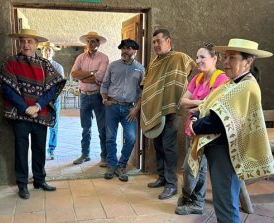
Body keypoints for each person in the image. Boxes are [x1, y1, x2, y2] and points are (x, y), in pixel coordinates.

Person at [188, 38, 274, 222]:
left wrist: (195, 124)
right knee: (223, 201)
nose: (226, 63)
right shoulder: (232, 83)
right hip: (219, 151)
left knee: (226, 204)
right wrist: (198, 117)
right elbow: (206, 106)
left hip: (226, 153)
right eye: (226, 57)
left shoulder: (246, 86)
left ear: (248, 61)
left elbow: (217, 121)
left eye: (232, 58)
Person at [0, 29, 66, 200]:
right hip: (20, 116)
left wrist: (38, 105)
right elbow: (7, 88)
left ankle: (40, 180)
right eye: (23, 41)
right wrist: (25, 108)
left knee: (39, 148)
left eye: (30, 42)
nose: (26, 45)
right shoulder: (11, 62)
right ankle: (22, 184)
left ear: (36, 44)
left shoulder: (44, 65)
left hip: (39, 114)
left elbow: (53, 87)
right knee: (21, 150)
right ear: (20, 44)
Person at [140, 29, 196, 200]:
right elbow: (147, 83)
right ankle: (162, 178)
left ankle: (171, 185)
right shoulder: (154, 62)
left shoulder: (179, 57)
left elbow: (188, 70)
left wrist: (174, 89)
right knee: (158, 144)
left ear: (168, 41)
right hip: (155, 109)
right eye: (154, 42)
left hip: (172, 108)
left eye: (159, 41)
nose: (156, 45)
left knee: (169, 146)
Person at [175, 43, 228, 215]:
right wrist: (201, 103)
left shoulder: (221, 79)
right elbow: (182, 102)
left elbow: (215, 106)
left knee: (193, 169)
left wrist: (198, 105)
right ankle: (193, 200)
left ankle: (194, 200)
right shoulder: (197, 79)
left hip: (206, 133)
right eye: (197, 57)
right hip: (191, 130)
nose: (197, 61)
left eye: (202, 57)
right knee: (194, 168)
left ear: (215, 59)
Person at [100, 39, 145, 181]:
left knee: (131, 138)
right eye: (123, 48)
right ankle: (112, 165)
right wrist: (105, 99)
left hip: (129, 109)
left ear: (135, 51)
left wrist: (136, 108)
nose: (125, 51)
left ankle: (122, 165)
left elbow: (143, 92)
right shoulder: (113, 66)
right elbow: (104, 85)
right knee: (110, 138)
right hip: (112, 106)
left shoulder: (140, 69)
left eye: (128, 48)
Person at [71, 31, 109, 167]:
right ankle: (85, 154)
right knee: (85, 128)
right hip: (84, 96)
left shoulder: (104, 58)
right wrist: (91, 73)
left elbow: (99, 77)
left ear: (98, 43)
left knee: (102, 128)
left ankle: (104, 156)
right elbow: (73, 74)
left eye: (93, 41)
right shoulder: (80, 57)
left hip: (97, 96)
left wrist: (84, 75)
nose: (90, 44)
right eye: (88, 41)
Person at [39, 41, 64, 160]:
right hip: (40, 100)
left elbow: (60, 85)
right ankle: (40, 149)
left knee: (54, 125)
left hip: (54, 100)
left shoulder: (58, 67)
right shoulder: (38, 64)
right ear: (42, 51)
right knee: (40, 125)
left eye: (49, 50)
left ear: (53, 52)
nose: (47, 52)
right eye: (45, 50)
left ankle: (51, 149)